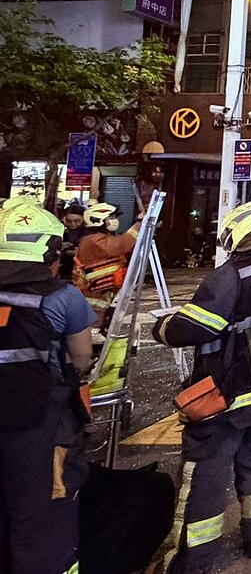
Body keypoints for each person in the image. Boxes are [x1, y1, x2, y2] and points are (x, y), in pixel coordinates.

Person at [151, 201, 251, 573]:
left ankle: (192, 560)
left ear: (234, 235)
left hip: (229, 395)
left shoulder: (229, 276)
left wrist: (162, 327)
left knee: (205, 474)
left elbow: (193, 328)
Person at [0, 199, 95, 574]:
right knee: (41, 519)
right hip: (36, 425)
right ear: (50, 250)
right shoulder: (63, 297)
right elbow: (82, 362)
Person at [74, 203, 141, 325]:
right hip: (93, 296)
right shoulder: (93, 240)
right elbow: (120, 246)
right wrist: (138, 226)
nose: (114, 221)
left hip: (101, 293)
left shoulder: (99, 237)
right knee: (93, 325)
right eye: (110, 218)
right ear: (98, 220)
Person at [58, 201, 88, 282]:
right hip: (62, 271)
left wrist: (81, 252)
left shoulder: (89, 233)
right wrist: (58, 246)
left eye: (77, 221)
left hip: (83, 273)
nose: (72, 224)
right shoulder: (58, 230)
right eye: (68, 221)